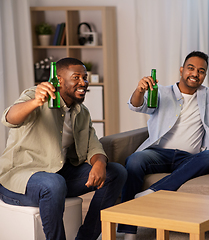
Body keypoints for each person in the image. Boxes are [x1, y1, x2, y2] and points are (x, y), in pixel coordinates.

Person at [118, 51, 209, 240]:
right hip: (159, 153)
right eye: (191, 68)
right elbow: (136, 106)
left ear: (204, 75)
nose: (195, 73)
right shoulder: (160, 92)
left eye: (201, 71)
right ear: (181, 70)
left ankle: (153, 192)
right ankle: (127, 230)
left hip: (189, 158)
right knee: (135, 160)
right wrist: (139, 90)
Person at [0, 57, 127, 240]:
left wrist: (99, 163)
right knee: (54, 183)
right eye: (76, 77)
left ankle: (86, 237)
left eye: (85, 77)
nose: (83, 82)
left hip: (57, 174)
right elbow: (9, 118)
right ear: (59, 80)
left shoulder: (81, 112)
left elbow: (93, 145)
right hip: (20, 178)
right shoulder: (36, 95)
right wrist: (35, 102)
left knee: (116, 172)